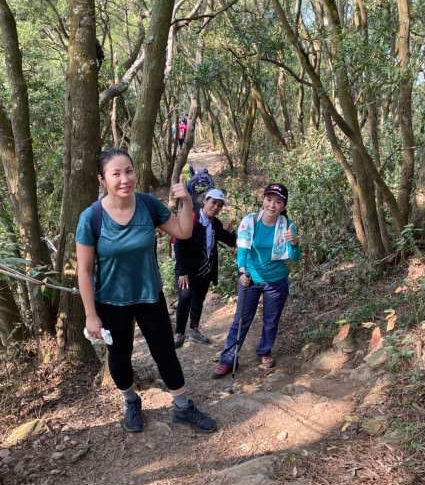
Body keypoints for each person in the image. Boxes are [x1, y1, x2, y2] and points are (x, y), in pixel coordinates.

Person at [75, 148, 217, 434]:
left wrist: (186, 200)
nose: (124, 179)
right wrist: (91, 315)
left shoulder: (148, 206)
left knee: (165, 352)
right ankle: (130, 401)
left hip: (150, 295)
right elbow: (85, 271)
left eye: (128, 171)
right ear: (102, 179)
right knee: (119, 356)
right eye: (116, 173)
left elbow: (183, 231)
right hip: (111, 301)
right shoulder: (91, 219)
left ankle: (182, 406)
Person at [212, 183, 300, 377]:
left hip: (276, 281)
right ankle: (228, 358)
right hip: (250, 278)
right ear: (263, 200)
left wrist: (294, 242)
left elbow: (294, 257)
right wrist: (242, 271)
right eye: (269, 200)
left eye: (278, 202)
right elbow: (242, 250)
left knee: (271, 320)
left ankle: (265, 351)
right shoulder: (250, 222)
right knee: (241, 320)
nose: (272, 205)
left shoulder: (287, 226)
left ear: (284, 206)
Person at [173, 188, 236, 348]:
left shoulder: (215, 223)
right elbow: (179, 244)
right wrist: (182, 272)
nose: (215, 207)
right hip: (187, 270)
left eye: (219, 205)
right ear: (205, 201)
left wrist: (238, 235)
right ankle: (179, 333)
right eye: (213, 203)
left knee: (198, 300)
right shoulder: (192, 218)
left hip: (205, 270)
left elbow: (227, 239)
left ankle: (194, 330)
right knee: (185, 298)